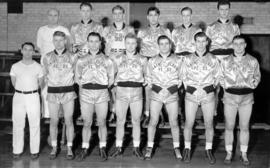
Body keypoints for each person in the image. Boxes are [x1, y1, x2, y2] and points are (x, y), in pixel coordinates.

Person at [220, 35, 261, 166]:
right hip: (230, 97)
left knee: (244, 127)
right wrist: (228, 87)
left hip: (246, 98)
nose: (238, 46)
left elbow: (257, 77)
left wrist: (251, 85)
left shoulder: (253, 60)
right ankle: (229, 152)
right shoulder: (225, 61)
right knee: (229, 126)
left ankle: (243, 154)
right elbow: (220, 77)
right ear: (232, 45)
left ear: (245, 45)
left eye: (241, 43)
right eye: (235, 43)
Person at [181, 32, 221, 164]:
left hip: (207, 95)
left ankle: (208, 149)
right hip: (191, 95)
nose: (201, 44)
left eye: (203, 41)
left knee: (209, 123)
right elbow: (183, 76)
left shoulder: (214, 58)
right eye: (198, 41)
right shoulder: (187, 59)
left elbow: (217, 77)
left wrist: (205, 89)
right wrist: (194, 89)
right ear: (194, 42)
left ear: (207, 42)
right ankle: (187, 148)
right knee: (189, 122)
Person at [75, 32, 115, 161]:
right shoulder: (81, 59)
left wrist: (101, 86)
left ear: (100, 43)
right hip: (86, 93)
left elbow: (111, 78)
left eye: (96, 41)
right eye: (91, 41)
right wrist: (87, 86)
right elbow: (77, 77)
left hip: (102, 93)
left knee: (102, 122)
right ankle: (85, 148)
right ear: (87, 42)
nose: (93, 44)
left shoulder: (107, 60)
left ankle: (102, 148)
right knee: (87, 122)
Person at [144, 35, 182, 160]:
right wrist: (160, 90)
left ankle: (176, 147)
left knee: (174, 122)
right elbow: (148, 79)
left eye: (167, 43)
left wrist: (170, 90)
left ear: (170, 45)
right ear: (158, 45)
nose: (164, 46)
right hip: (156, 94)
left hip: (172, 94)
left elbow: (181, 79)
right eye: (162, 44)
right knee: (153, 121)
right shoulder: (152, 60)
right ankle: (149, 147)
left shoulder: (178, 60)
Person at [109, 33, 146, 160]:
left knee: (136, 121)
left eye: (133, 43)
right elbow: (112, 76)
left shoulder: (143, 59)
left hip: (136, 92)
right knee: (120, 121)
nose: (130, 46)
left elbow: (147, 77)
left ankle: (136, 148)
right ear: (125, 44)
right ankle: (118, 147)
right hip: (121, 92)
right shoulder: (117, 58)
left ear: (137, 44)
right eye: (128, 43)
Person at [42, 31, 77, 160]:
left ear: (65, 41)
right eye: (55, 40)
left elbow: (77, 75)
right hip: (53, 92)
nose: (58, 43)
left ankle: (69, 147)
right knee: (54, 121)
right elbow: (45, 75)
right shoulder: (47, 57)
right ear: (53, 41)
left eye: (61, 40)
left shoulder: (73, 57)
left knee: (69, 120)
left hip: (68, 92)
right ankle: (54, 147)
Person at [137, 6, 171, 124]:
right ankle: (147, 114)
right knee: (147, 88)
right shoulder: (142, 32)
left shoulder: (165, 31)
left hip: (160, 62)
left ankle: (160, 114)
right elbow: (138, 49)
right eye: (150, 15)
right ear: (147, 17)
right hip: (146, 62)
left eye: (155, 15)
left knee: (159, 88)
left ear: (158, 16)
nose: (153, 18)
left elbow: (169, 48)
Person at [10, 42, 44, 160]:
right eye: (26, 49)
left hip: (33, 96)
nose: (28, 52)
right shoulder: (15, 66)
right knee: (18, 123)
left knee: (34, 123)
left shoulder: (38, 66)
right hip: (19, 96)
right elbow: (14, 83)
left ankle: (34, 150)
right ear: (21, 50)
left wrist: (30, 91)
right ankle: (17, 150)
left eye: (30, 50)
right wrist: (22, 91)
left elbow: (40, 84)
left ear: (33, 52)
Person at [102, 5, 135, 121]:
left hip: (124, 58)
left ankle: (123, 112)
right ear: (112, 15)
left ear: (123, 14)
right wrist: (108, 56)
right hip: (110, 58)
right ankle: (112, 110)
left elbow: (132, 45)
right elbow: (102, 46)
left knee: (122, 86)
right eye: (115, 13)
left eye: (119, 13)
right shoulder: (106, 29)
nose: (117, 16)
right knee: (111, 86)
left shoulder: (129, 29)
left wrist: (124, 55)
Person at [36, 8, 71, 119]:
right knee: (45, 89)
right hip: (46, 63)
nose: (53, 17)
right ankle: (47, 115)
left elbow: (69, 46)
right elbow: (41, 47)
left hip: (61, 64)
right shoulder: (41, 30)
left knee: (61, 90)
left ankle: (60, 115)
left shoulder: (64, 29)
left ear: (58, 16)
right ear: (47, 16)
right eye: (50, 15)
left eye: (55, 15)